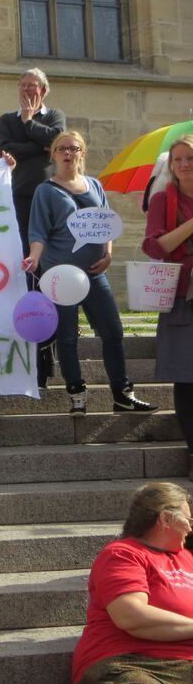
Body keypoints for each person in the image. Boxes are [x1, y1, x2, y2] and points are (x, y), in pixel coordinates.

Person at [23, 131, 156, 416]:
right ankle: (77, 395)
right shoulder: (46, 190)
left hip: (95, 274)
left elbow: (106, 224)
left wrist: (109, 254)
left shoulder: (95, 186)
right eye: (62, 149)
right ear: (54, 154)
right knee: (68, 337)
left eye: (74, 148)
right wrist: (34, 258)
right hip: (61, 275)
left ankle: (122, 393)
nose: (68, 153)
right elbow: (38, 232)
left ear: (83, 152)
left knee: (113, 331)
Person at [71, 482, 193, 684]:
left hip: (185, 666)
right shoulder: (123, 554)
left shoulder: (187, 558)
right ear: (165, 518)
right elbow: (130, 616)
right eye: (188, 519)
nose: (190, 528)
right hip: (128, 662)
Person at [142, 135, 193, 478]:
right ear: (171, 166)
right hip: (181, 297)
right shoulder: (163, 199)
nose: (185, 164)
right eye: (178, 159)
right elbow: (154, 247)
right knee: (187, 378)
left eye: (190, 158)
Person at [0, 68, 67, 255]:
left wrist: (28, 122)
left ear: (43, 90)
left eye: (31, 86)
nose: (26, 89)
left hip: (49, 193)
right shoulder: (7, 120)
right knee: (24, 248)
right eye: (23, 85)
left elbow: (56, 140)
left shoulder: (54, 116)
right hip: (20, 194)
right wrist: (41, 147)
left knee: (49, 246)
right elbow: (5, 149)